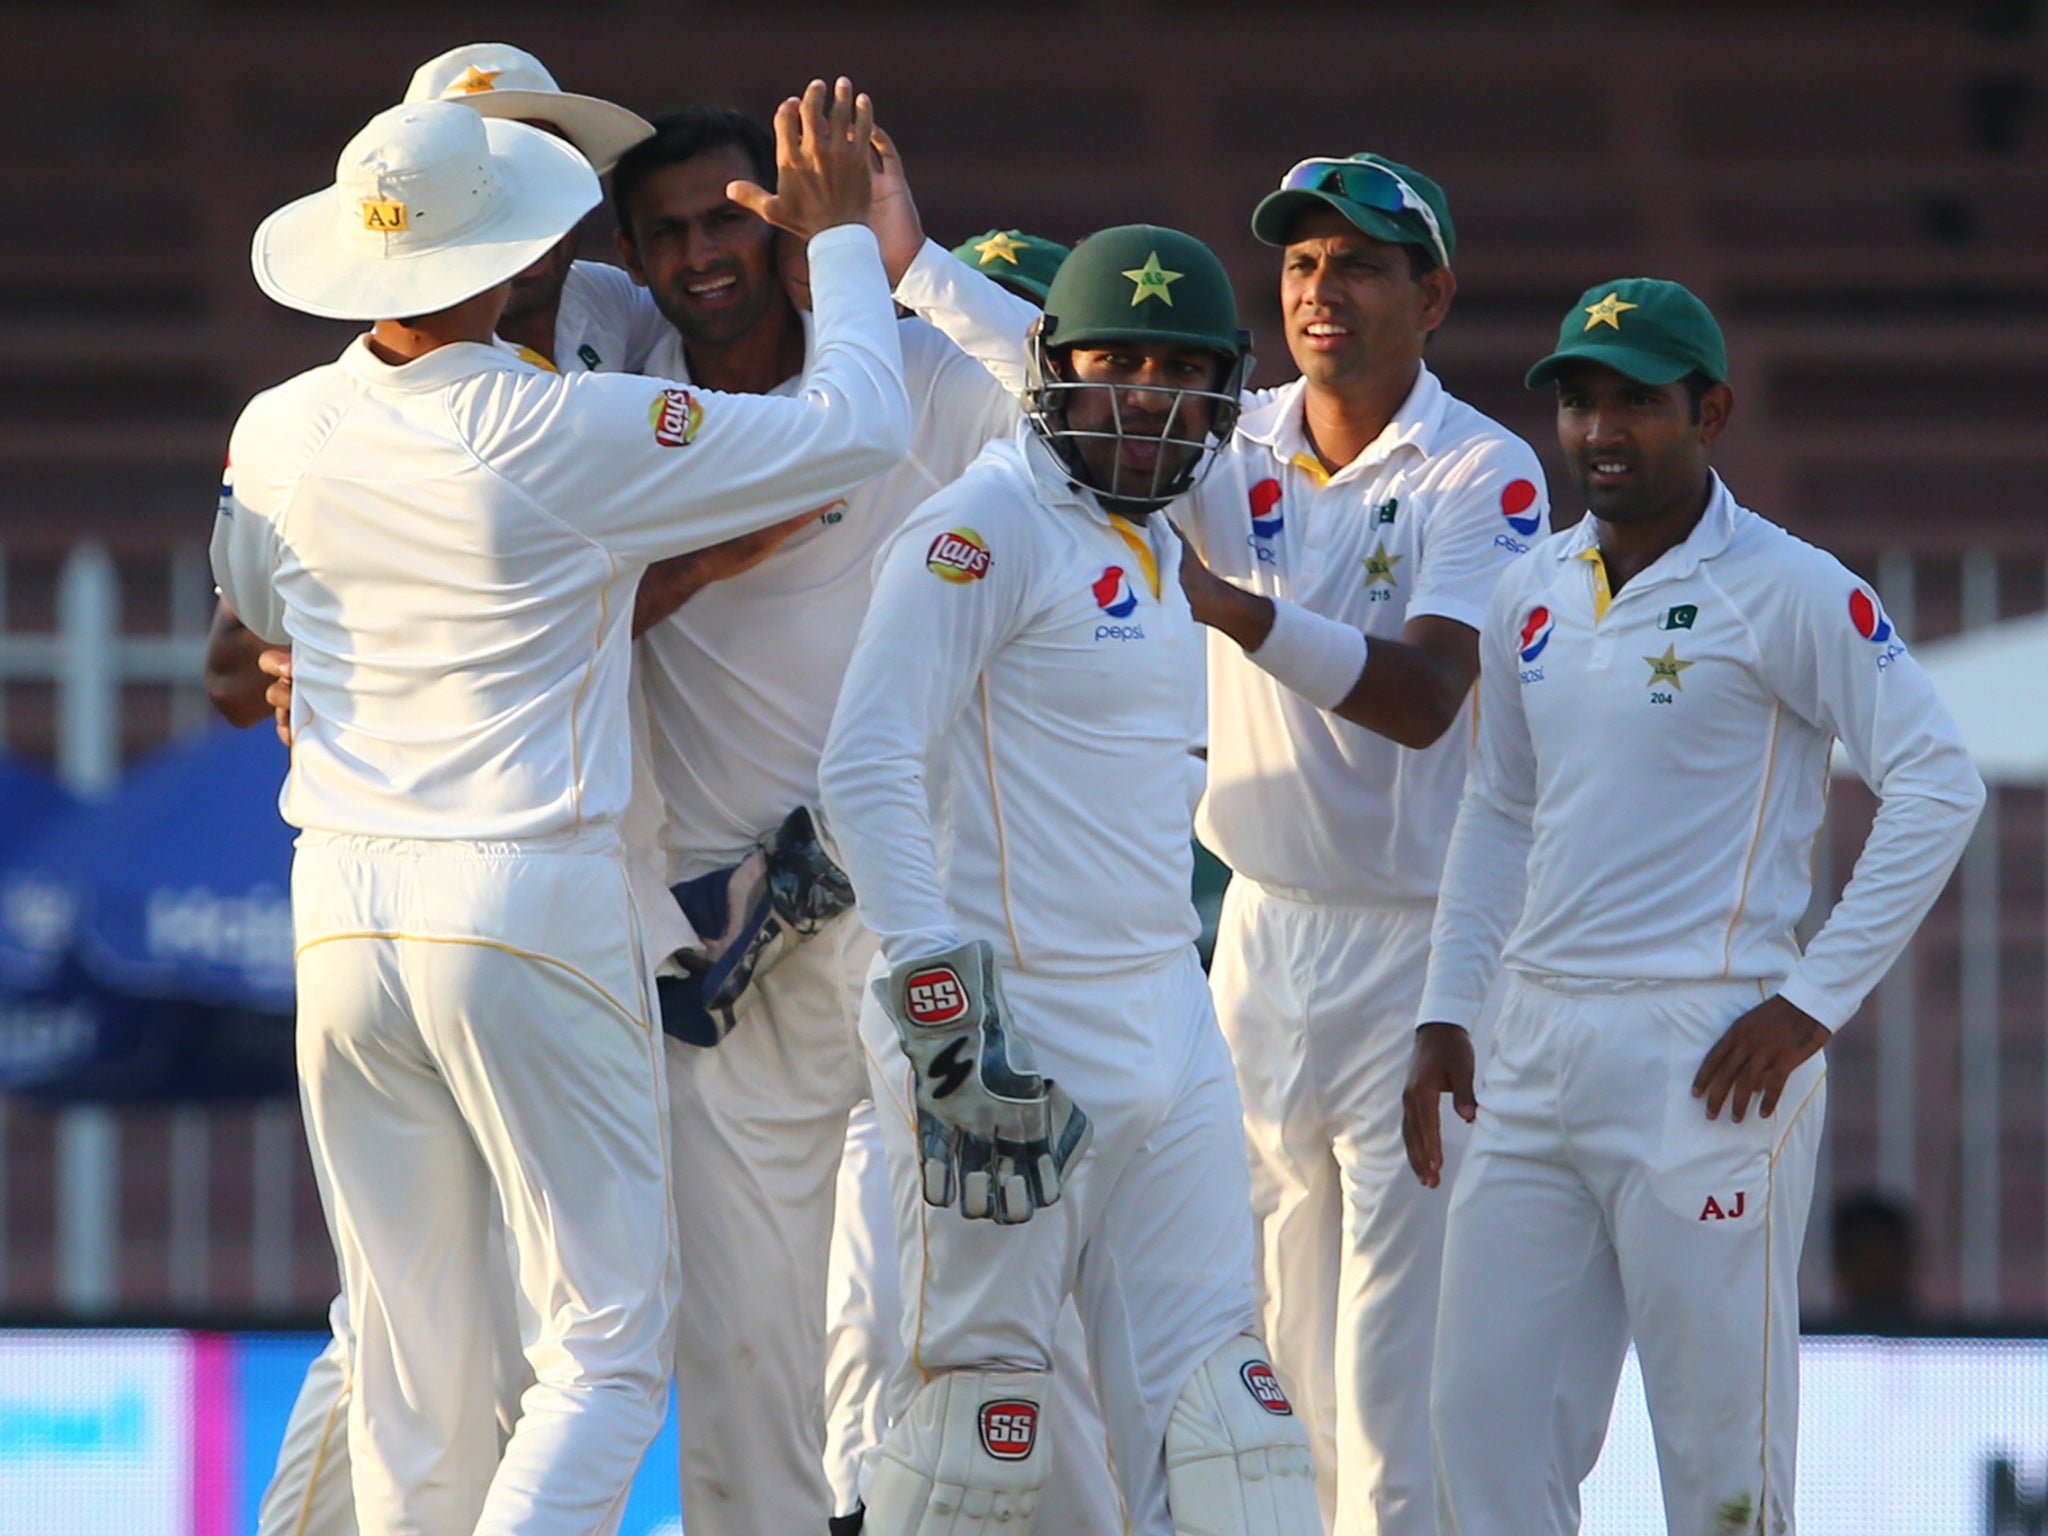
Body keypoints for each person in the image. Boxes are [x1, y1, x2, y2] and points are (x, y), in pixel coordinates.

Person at [213, 81, 908, 1535]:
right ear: (505, 253)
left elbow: (261, 631)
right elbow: (857, 425)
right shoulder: (561, 425)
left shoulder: (277, 428)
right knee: (602, 1351)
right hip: (522, 890)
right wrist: (840, 238)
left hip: (337, 908)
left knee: (408, 1356)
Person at [868, 146, 1546, 1535]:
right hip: (1255, 935)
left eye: (1359, 266)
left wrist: (1232, 609)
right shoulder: (1233, 430)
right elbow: (1074, 366)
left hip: (1414, 949)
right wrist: (917, 266)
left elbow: (1425, 698)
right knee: (1252, 1366)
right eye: (1301, 264)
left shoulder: (1484, 468)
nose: (1322, 290)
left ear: (1432, 295)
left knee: (1390, 1364)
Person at [1402, 278, 1984, 1536]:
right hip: (1530, 1044)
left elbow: (1938, 783)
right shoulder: (1528, 590)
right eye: (1578, 401)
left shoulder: (1788, 587)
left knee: (1717, 1453)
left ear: (1707, 412)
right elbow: (1497, 810)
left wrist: (1811, 1001)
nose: (1599, 430)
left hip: (1707, 1053)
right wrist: (1446, 1008)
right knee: (1478, 1426)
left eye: (1636, 402)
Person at [819, 223, 1319, 1536]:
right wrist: (942, 1007)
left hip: (1167, 1014)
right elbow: (863, 765)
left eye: (1181, 370)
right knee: (978, 1430)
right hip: (1011, 1028)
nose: (1148, 394)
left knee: (1230, 1429)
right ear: (1051, 364)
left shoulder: (1154, 541)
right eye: (1117, 362)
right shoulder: (983, 524)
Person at [605, 108, 1031, 1536]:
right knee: (742, 1358)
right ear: (631, 261)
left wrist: (909, 262)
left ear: (782, 223)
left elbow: (1083, 416)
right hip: (731, 950)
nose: (700, 256)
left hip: (921, 914)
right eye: (666, 234)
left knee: (961, 1318)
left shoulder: (906, 370)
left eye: (727, 220)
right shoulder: (618, 416)